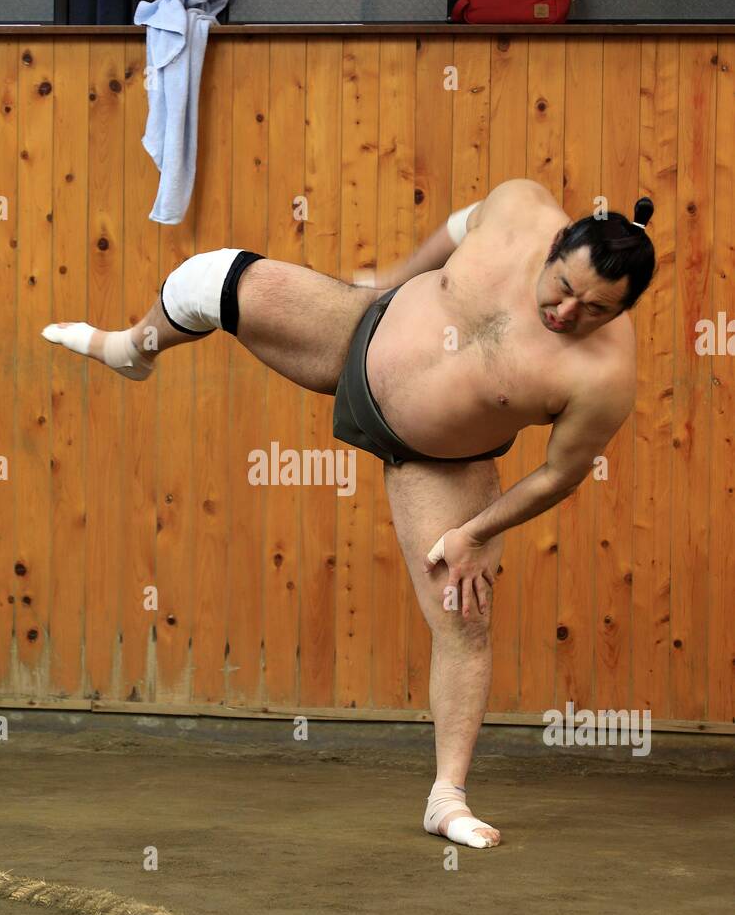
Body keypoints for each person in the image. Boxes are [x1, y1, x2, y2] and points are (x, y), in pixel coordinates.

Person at [43, 178, 656, 848]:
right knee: (206, 279)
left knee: (464, 615)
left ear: (623, 308)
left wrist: (477, 532)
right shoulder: (521, 208)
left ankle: (446, 798)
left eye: (595, 310)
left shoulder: (604, 379)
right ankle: (133, 350)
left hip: (437, 461)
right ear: (557, 243)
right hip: (359, 330)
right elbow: (461, 222)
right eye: (562, 288)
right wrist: (394, 278)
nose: (567, 314)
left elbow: (560, 476)